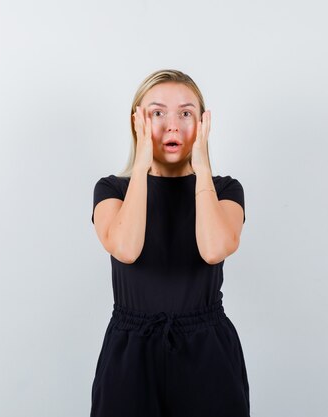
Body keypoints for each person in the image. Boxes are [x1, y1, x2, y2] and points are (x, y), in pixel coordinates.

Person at [90, 69, 250, 417]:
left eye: (186, 113)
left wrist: (202, 166)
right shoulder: (111, 190)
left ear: (203, 125)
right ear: (137, 122)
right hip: (130, 350)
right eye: (157, 113)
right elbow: (126, 248)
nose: (172, 125)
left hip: (206, 348)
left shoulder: (225, 190)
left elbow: (213, 248)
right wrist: (143, 162)